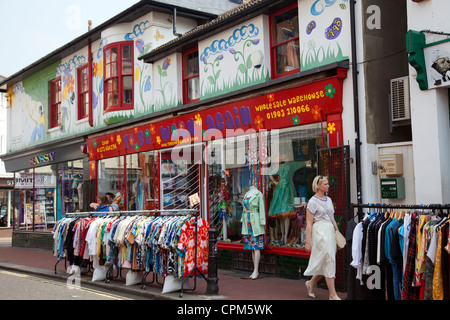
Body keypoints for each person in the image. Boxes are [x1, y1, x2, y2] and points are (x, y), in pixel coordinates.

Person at [303, 175, 341, 300]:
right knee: (328, 258)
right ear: (318, 186)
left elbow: (332, 218)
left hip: (329, 230)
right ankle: (333, 294)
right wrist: (308, 241)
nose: (328, 186)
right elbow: (309, 223)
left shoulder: (329, 200)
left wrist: (337, 231)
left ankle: (311, 283)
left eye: (327, 183)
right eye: (325, 184)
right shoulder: (312, 202)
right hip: (319, 231)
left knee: (327, 260)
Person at [241, 186, 266, 280]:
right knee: (251, 247)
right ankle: (254, 270)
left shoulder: (259, 194)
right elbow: (244, 209)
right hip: (247, 222)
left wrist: (262, 222)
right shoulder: (247, 194)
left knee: (256, 246)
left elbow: (262, 209)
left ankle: (256, 270)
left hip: (255, 222)